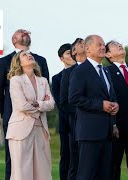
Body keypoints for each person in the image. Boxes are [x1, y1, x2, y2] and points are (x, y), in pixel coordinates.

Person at [0, 29, 49, 180]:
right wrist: (7, 112)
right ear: (13, 40)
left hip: (39, 122)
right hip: (14, 119)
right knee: (14, 163)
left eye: (26, 32)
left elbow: (47, 93)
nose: (25, 32)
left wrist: (40, 106)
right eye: (20, 32)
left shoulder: (41, 61)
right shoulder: (3, 62)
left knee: (40, 164)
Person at [68, 35, 119, 180]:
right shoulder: (80, 70)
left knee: (105, 175)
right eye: (99, 45)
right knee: (86, 175)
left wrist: (115, 105)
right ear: (87, 48)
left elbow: (111, 96)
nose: (103, 47)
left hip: (107, 133)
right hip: (89, 133)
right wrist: (100, 105)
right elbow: (74, 98)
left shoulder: (106, 71)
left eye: (104, 45)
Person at [6, 50, 54, 180]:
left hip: (41, 130)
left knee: (43, 173)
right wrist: (42, 105)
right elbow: (21, 105)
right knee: (21, 173)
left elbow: (51, 104)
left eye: (30, 54)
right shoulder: (16, 80)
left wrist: (36, 103)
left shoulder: (43, 81)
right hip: (20, 131)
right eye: (24, 55)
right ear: (19, 63)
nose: (29, 55)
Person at [105, 40, 128, 180]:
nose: (119, 45)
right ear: (108, 54)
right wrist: (113, 123)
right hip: (117, 127)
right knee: (114, 166)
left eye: (119, 43)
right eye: (114, 45)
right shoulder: (107, 71)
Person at [59, 38, 86, 180]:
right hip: (76, 127)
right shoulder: (69, 73)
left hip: (98, 126)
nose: (85, 45)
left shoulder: (100, 70)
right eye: (81, 44)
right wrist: (85, 111)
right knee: (75, 165)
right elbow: (64, 103)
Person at [51, 43, 76, 180]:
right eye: (68, 53)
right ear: (61, 58)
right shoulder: (56, 79)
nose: (71, 55)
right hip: (67, 125)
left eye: (73, 51)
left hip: (86, 124)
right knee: (66, 157)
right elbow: (61, 104)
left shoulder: (86, 73)